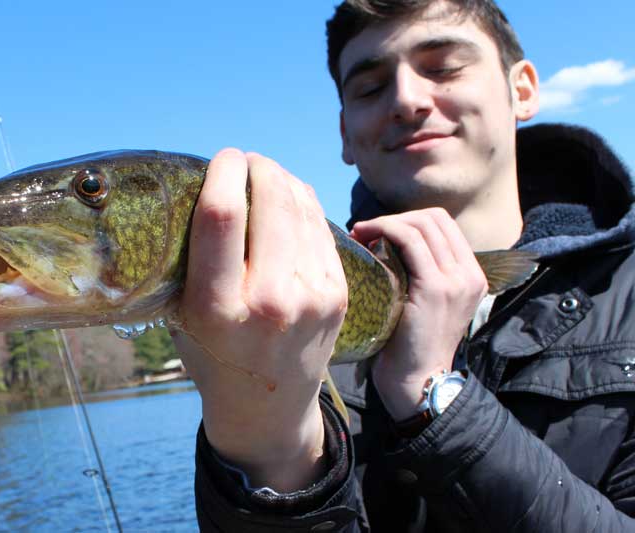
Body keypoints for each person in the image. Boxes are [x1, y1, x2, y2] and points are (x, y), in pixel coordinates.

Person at [173, 0, 635, 531]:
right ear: (345, 133)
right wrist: (263, 444)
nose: (407, 100)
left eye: (442, 67)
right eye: (370, 88)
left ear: (522, 89)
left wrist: (434, 396)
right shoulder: (289, 322)